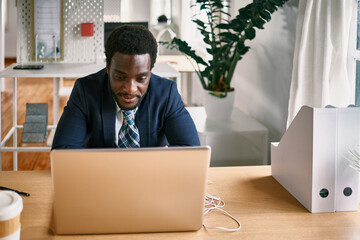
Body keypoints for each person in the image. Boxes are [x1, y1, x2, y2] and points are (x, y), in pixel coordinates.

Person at [52, 25, 200, 149]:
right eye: (120, 77)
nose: (130, 89)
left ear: (150, 71)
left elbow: (190, 151)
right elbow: (63, 152)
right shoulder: (85, 91)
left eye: (141, 78)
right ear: (108, 68)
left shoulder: (166, 94)